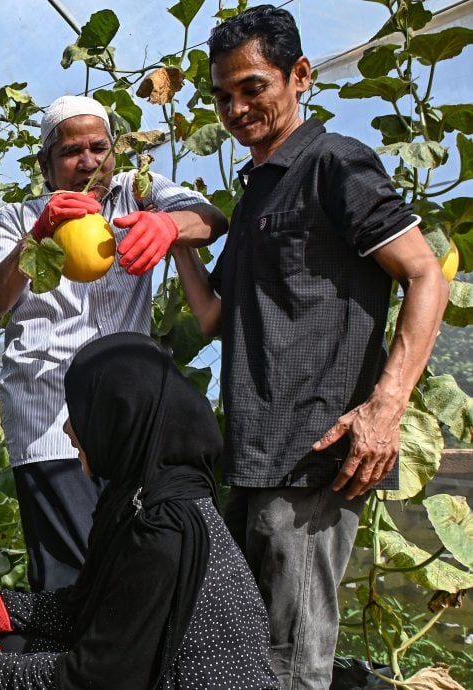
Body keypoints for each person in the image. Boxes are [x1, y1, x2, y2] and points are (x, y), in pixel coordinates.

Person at [170, 6, 449, 689]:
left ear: (299, 77)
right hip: (256, 450)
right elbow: (213, 318)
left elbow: (424, 275)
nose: (236, 107)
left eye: (253, 87)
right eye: (223, 95)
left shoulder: (333, 162)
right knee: (235, 646)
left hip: (312, 451)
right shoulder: (260, 188)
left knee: (290, 664)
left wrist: (384, 408)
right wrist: (174, 239)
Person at [0, 332, 279, 689]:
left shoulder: (165, 529)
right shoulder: (140, 500)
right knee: (14, 645)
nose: (68, 427)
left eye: (81, 409)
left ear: (120, 416)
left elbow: (96, 679)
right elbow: (85, 609)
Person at [0, 94, 228, 591]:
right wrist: (38, 234)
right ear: (46, 165)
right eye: (71, 151)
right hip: (48, 422)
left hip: (128, 425)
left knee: (141, 572)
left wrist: (168, 224)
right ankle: (71, 669)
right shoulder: (15, 218)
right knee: (73, 580)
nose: (88, 161)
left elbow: (211, 219)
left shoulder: (138, 192)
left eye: (99, 147)